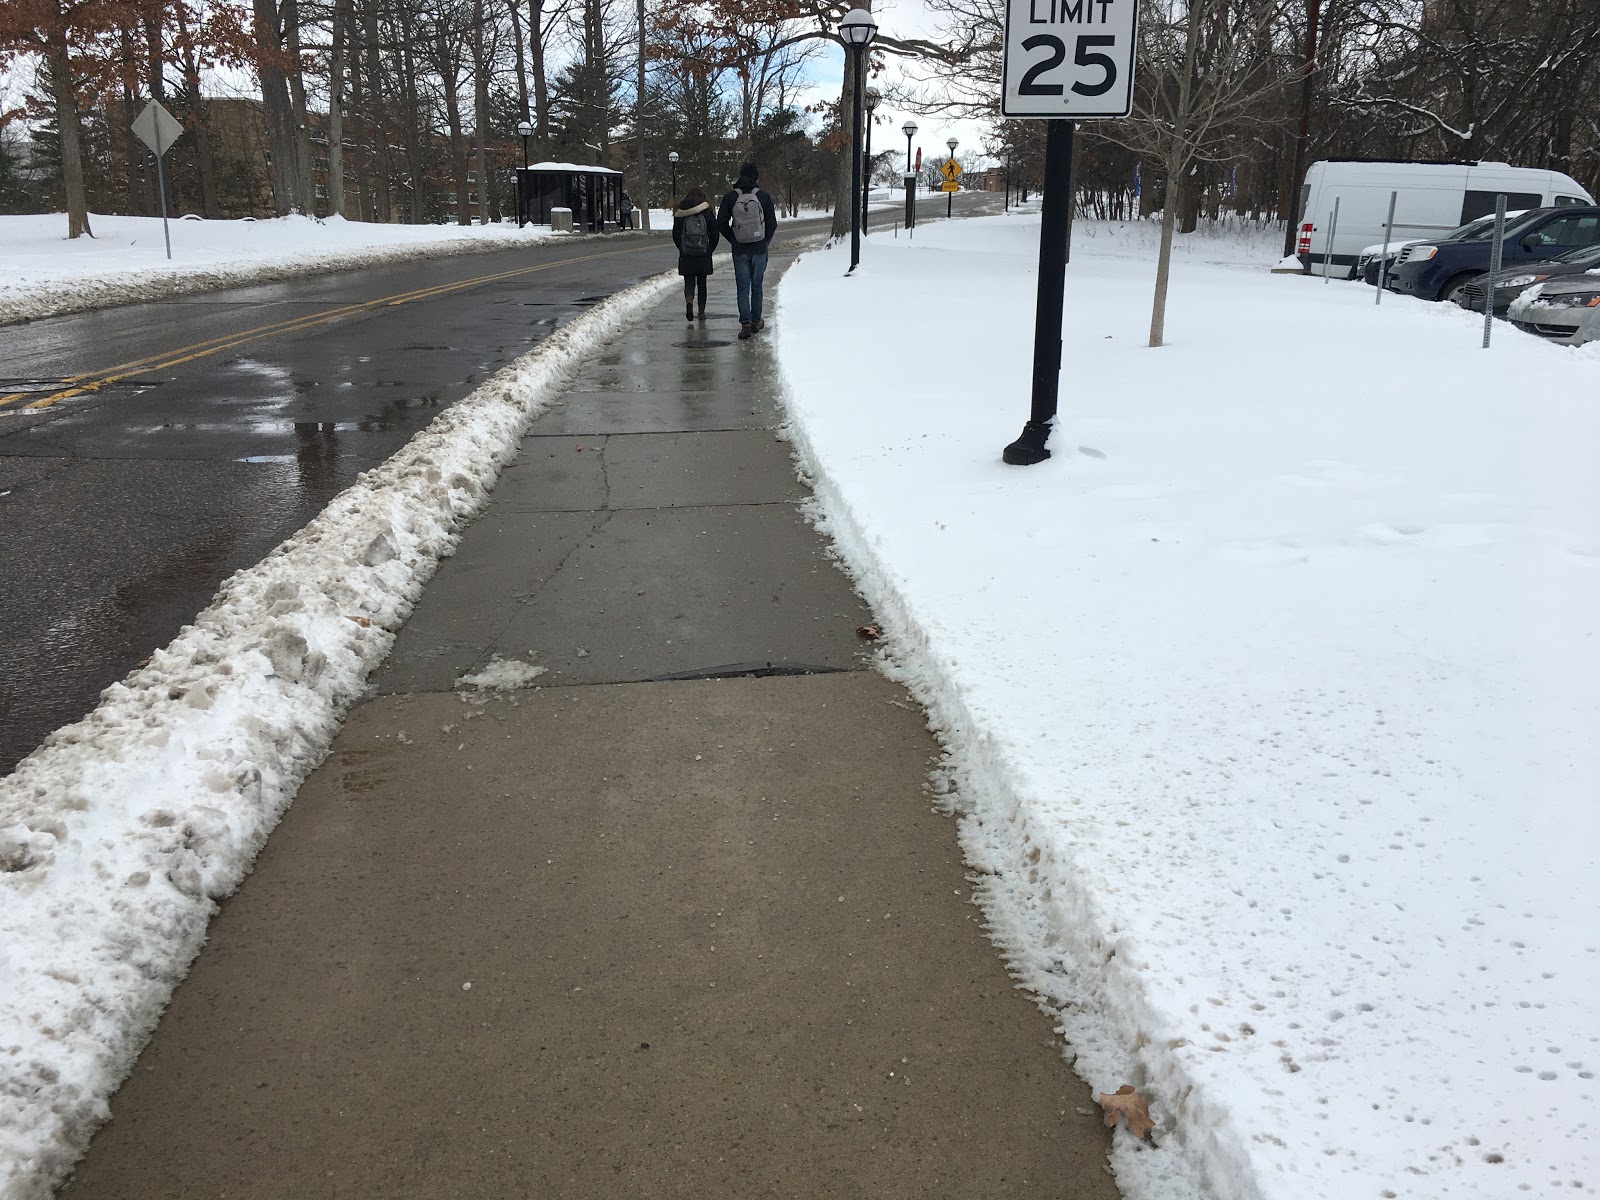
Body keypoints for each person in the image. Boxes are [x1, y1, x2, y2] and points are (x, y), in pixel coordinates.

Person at [716, 163, 778, 339]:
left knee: (743, 287)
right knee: (757, 286)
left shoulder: (730, 197)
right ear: (756, 179)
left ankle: (745, 324)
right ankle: (756, 321)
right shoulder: (764, 197)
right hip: (759, 248)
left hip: (740, 249)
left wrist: (734, 238)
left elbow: (720, 223)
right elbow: (772, 224)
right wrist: (764, 242)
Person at [672, 186, 719, 322]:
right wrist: (709, 249)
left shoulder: (680, 210)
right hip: (703, 252)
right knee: (702, 283)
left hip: (687, 253)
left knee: (689, 281)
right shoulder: (707, 210)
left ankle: (689, 300)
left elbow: (675, 233)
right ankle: (702, 312)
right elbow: (714, 233)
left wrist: (682, 247)